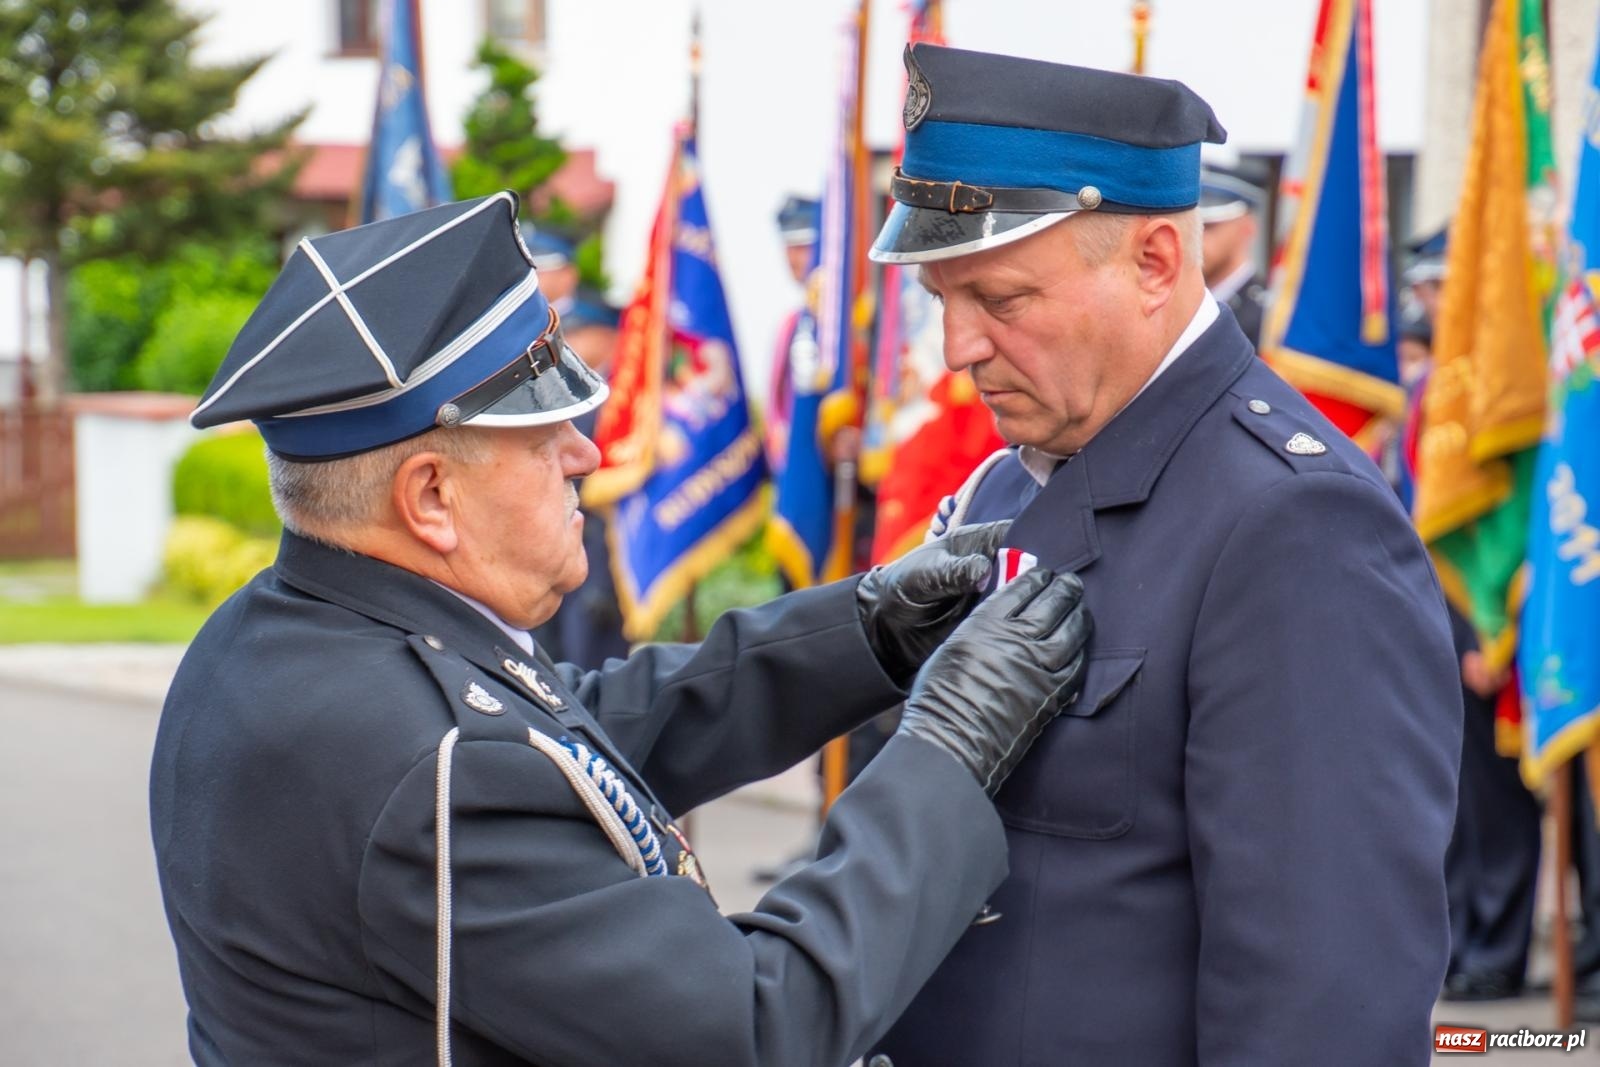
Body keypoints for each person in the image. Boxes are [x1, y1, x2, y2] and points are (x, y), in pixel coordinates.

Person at [149, 192, 1095, 1065]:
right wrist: (946, 756)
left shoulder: (284, 630)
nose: (585, 453)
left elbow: (571, 734)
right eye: (542, 436)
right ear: (431, 497)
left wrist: (865, 630)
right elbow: (753, 1027)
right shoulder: (428, 764)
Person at [866, 44, 1461, 1064]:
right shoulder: (1009, 487)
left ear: (1153, 262)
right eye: (939, 299)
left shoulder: (1295, 525)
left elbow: (1324, 1002)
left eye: (1001, 300)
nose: (959, 346)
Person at [529, 292, 629, 669]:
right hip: (564, 549)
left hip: (603, 561)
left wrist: (603, 579)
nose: (568, 345)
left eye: (578, 334)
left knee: (595, 667)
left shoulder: (624, 402)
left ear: (608, 335)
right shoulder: (574, 393)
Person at [1198, 163, 1269, 348]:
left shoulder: (1267, 316)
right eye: (1191, 226)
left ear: (1247, 227)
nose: (1194, 238)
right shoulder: (1181, 307)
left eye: (1208, 226)